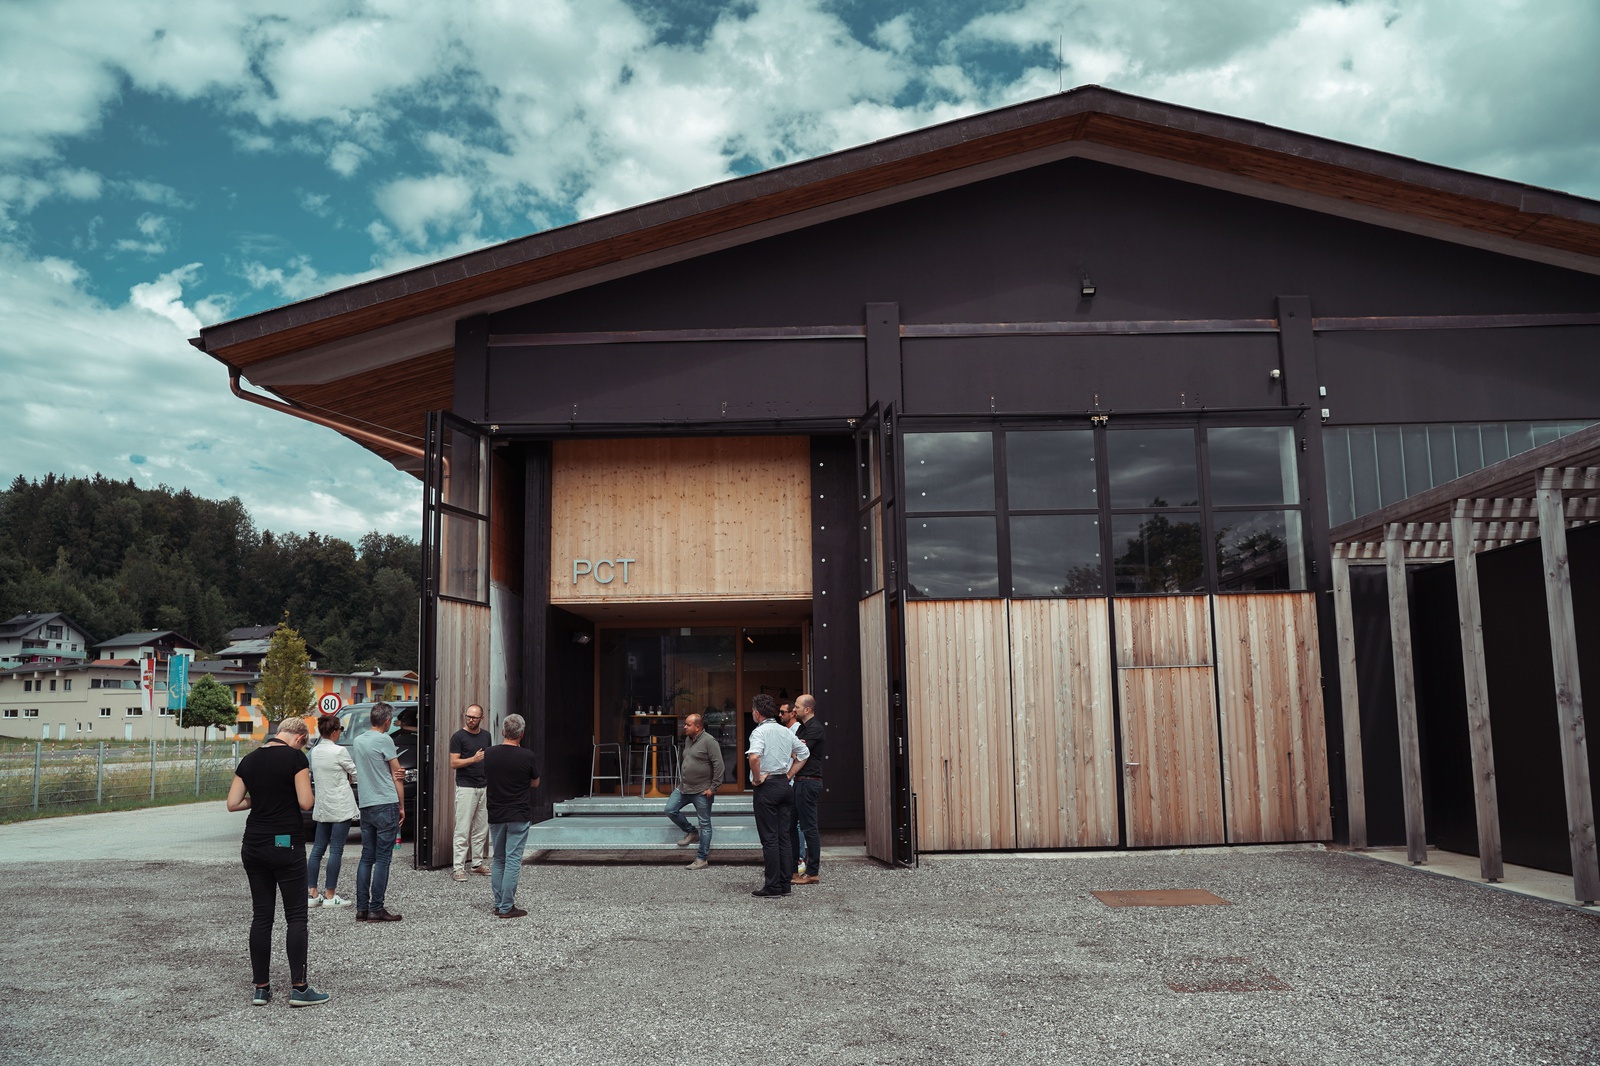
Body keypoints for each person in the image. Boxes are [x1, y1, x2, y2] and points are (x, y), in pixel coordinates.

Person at [226, 715, 329, 1007]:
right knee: (295, 916)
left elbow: (233, 803)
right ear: (299, 738)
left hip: (253, 843)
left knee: (262, 916)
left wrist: (260, 798)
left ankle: (261, 988)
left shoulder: (249, 760)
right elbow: (306, 802)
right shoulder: (295, 759)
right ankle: (299, 988)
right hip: (284, 841)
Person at [746, 693, 809, 898]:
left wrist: (757, 779)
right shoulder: (785, 731)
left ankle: (772, 886)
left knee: (770, 838)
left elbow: (754, 757)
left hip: (767, 787)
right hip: (783, 784)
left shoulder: (759, 732)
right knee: (784, 837)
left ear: (757, 713)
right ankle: (784, 884)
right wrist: (789, 774)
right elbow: (804, 754)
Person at [350, 701, 405, 922]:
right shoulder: (385, 740)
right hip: (385, 802)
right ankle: (376, 908)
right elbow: (397, 774)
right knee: (383, 858)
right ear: (387, 721)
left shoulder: (358, 741)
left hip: (366, 803)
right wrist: (401, 806)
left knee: (366, 857)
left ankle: (362, 909)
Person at [483, 713, 540, 918]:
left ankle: (499, 904)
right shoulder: (527, 756)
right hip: (518, 813)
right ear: (521, 734)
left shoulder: (489, 753)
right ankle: (507, 907)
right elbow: (535, 782)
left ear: (502, 732)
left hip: (496, 812)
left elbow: (486, 775)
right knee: (513, 859)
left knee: (498, 859)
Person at [306, 715, 358, 908]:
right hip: (340, 805)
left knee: (318, 849)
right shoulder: (340, 751)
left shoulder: (314, 751)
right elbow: (355, 772)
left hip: (323, 805)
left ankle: (312, 892)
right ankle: (330, 894)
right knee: (336, 849)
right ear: (335, 731)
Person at [663, 712, 724, 870]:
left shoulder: (709, 741)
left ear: (697, 727)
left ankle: (701, 859)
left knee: (705, 824)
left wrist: (713, 788)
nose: (684, 727)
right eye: (685, 724)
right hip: (684, 788)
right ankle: (691, 832)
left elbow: (719, 765)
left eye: (688, 725)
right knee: (670, 809)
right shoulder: (688, 740)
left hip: (702, 790)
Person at [448, 703, 493, 882]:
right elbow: (454, 763)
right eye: (468, 716)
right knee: (462, 828)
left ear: (482, 718)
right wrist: (473, 759)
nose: (470, 720)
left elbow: (488, 759)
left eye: (474, 717)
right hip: (466, 787)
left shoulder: (486, 736)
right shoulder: (458, 737)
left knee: (481, 829)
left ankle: (476, 864)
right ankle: (458, 868)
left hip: (484, 786)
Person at [790, 694, 825, 886]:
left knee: (809, 827)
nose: (794, 709)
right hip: (799, 781)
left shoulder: (815, 728)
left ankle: (812, 872)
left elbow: (799, 752)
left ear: (808, 709)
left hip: (809, 782)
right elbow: (793, 749)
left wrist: (793, 749)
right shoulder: (801, 728)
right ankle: (793, 869)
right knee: (790, 826)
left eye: (797, 707)